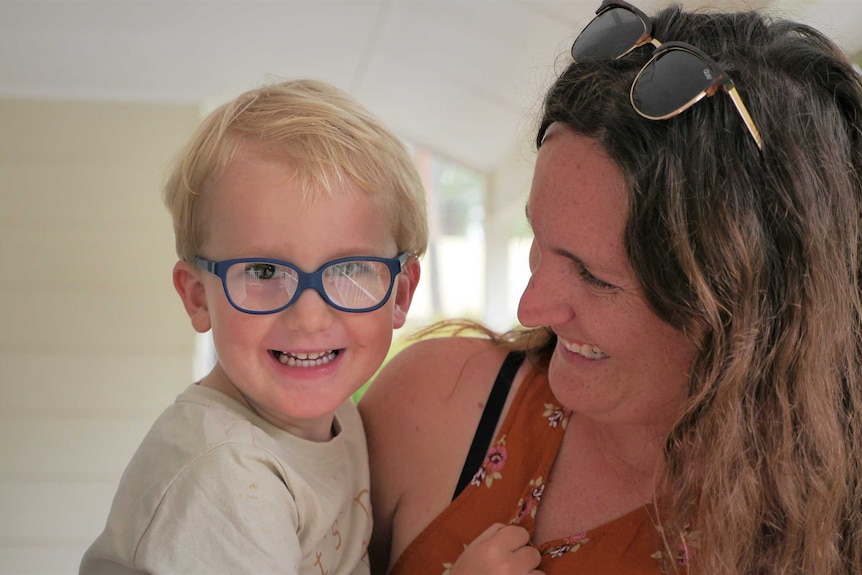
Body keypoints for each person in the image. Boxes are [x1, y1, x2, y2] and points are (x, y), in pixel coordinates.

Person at [359, 2, 862, 574]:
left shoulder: (822, 539)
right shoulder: (430, 400)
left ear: (746, 311)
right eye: (538, 240)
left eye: (595, 277)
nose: (531, 307)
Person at [80, 79, 427, 575]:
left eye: (350, 270)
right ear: (198, 296)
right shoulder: (224, 475)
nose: (309, 316)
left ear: (400, 293)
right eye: (264, 272)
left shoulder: (339, 418)